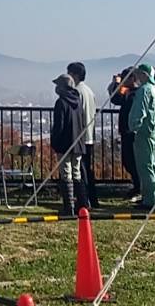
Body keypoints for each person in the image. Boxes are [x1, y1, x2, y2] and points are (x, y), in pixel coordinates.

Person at [127, 64, 155, 209]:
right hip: (153, 133)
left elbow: (139, 112)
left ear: (144, 74)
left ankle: (150, 200)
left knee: (145, 167)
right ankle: (154, 197)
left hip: (144, 134)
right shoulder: (154, 90)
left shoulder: (144, 90)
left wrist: (133, 127)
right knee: (152, 166)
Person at [51, 73, 90, 215]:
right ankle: (82, 204)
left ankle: (69, 207)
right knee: (77, 173)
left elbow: (59, 126)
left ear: (62, 87)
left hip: (65, 144)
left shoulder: (61, 102)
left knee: (66, 174)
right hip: (78, 143)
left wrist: (55, 142)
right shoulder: (78, 101)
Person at [67, 62, 100, 207]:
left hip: (79, 136)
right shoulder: (89, 91)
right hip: (89, 135)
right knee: (87, 168)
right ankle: (92, 198)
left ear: (74, 75)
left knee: (81, 170)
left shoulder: (76, 91)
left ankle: (84, 199)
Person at [108, 68, 142, 203]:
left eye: (125, 78)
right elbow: (116, 99)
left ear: (133, 78)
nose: (123, 81)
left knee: (133, 162)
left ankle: (139, 188)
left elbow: (118, 99)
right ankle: (136, 186)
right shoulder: (128, 92)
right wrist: (116, 85)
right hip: (126, 132)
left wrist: (117, 85)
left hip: (132, 133)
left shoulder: (136, 93)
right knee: (128, 162)